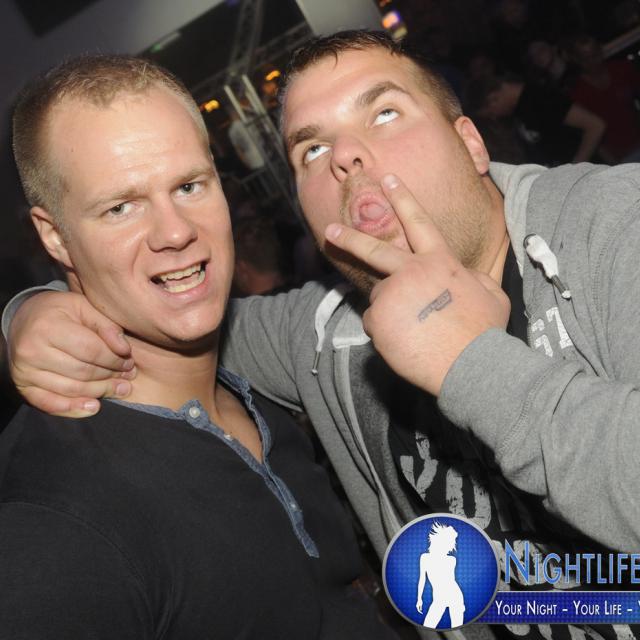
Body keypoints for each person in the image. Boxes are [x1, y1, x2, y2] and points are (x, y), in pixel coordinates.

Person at [5, 31, 640, 640]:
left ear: (470, 141)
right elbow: (167, 326)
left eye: (384, 113)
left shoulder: (614, 227)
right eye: (311, 150)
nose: (346, 156)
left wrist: (472, 365)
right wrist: (36, 310)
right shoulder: (324, 333)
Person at [0, 54, 397, 639]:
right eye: (120, 207)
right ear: (55, 236)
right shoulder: (51, 521)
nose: (175, 231)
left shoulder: (257, 392)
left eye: (189, 186)